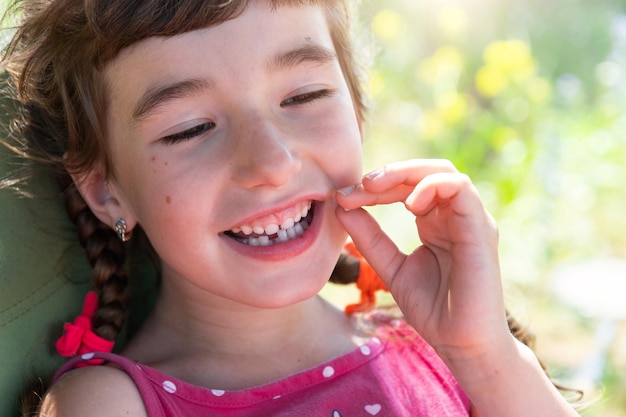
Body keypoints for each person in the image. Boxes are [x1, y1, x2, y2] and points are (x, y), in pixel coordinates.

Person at [1, 0, 580, 416]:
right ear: (107, 191)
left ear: (357, 111)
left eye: (303, 96)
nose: (272, 161)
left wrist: (483, 354)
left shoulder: (447, 354)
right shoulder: (109, 404)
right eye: (191, 128)